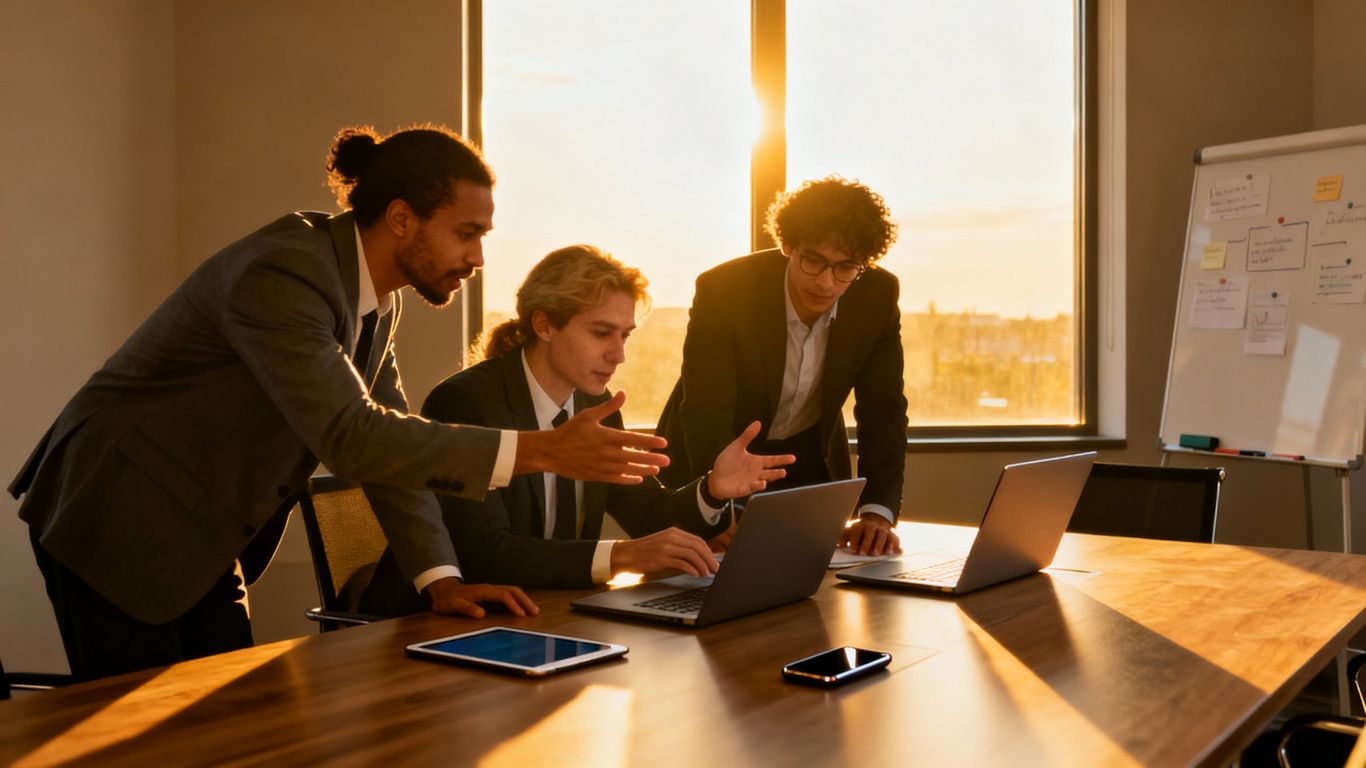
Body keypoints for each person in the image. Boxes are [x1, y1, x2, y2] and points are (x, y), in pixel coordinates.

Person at [7, 125, 671, 681]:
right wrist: (543, 450)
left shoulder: (375, 301)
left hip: (201, 532)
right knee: (143, 741)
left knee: (234, 725)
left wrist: (439, 579)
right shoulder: (286, 273)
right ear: (402, 218)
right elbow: (352, 436)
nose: (476, 258)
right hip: (118, 509)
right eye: (466, 234)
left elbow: (393, 443)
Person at [360, 245, 792, 613]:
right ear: (544, 324)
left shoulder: (598, 405)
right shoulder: (466, 402)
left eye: (625, 335)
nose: (618, 355)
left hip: (545, 615)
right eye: (603, 333)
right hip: (432, 624)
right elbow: (485, 553)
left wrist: (712, 490)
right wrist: (621, 557)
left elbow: (646, 514)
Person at [657, 176, 909, 556]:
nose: (826, 282)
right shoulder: (724, 290)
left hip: (805, 467)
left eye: (845, 268)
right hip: (708, 465)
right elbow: (706, 409)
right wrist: (719, 508)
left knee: (814, 597)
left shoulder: (876, 295)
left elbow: (884, 411)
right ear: (788, 245)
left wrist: (876, 511)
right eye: (813, 261)